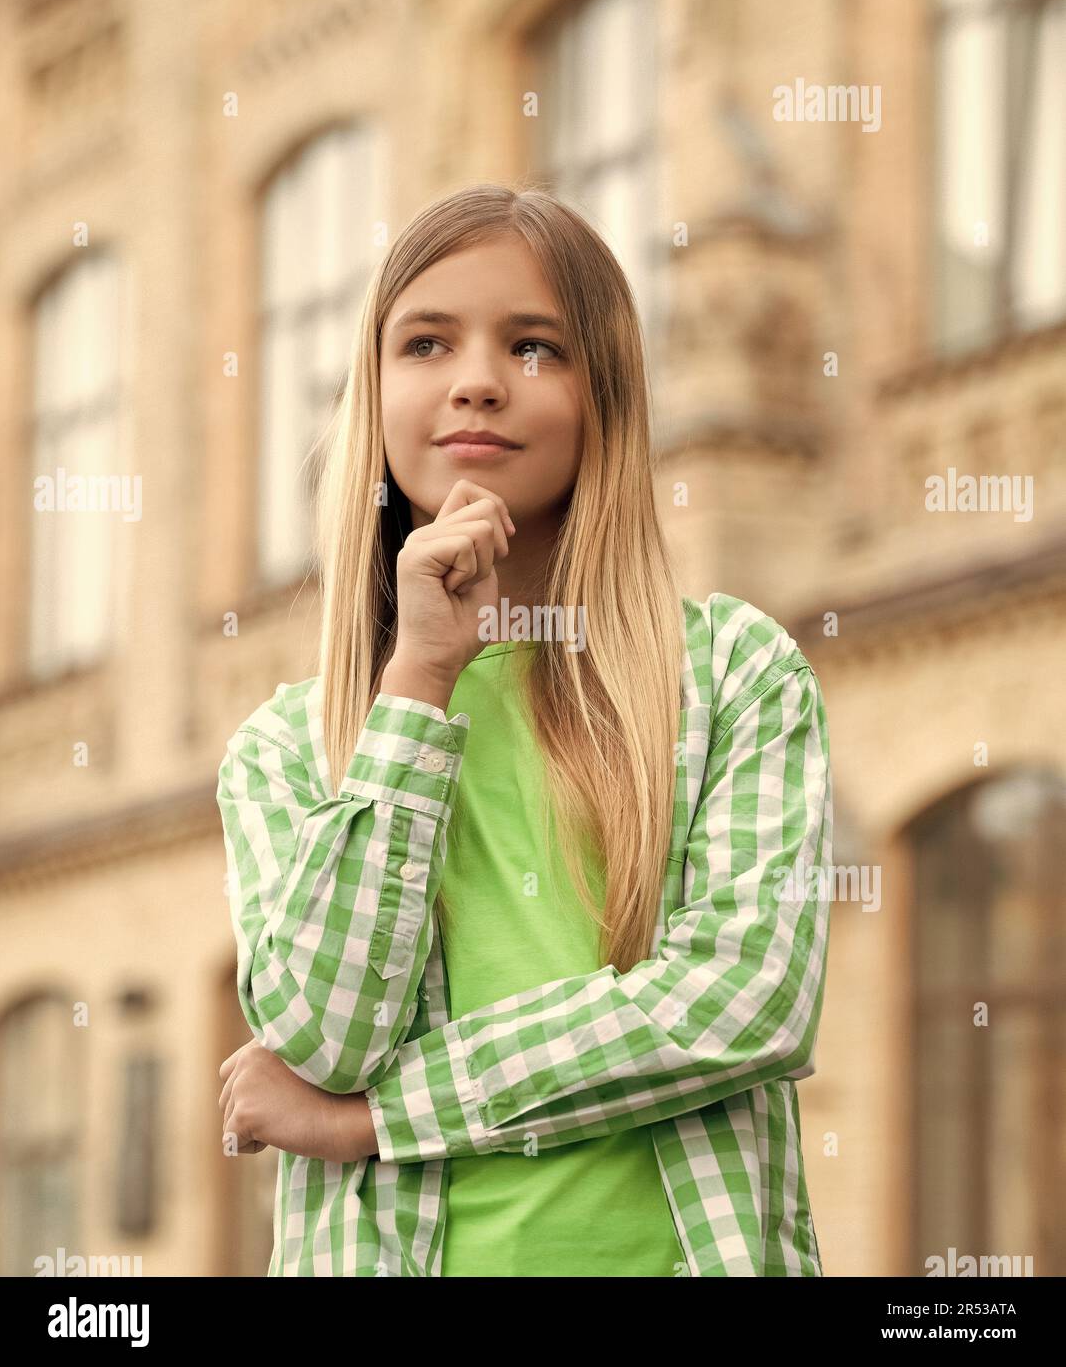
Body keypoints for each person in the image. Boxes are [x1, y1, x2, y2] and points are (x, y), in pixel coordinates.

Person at [216, 182, 834, 1277]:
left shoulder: (734, 674)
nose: (478, 382)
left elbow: (744, 1002)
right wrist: (415, 685)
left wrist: (378, 1119)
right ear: (376, 391)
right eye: (427, 342)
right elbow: (323, 1034)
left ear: (605, 394)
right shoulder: (287, 749)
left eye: (535, 346)